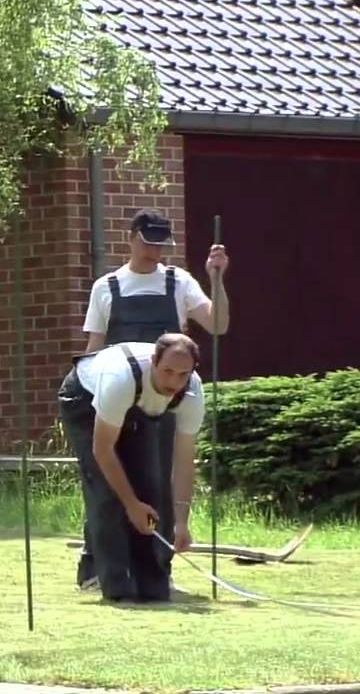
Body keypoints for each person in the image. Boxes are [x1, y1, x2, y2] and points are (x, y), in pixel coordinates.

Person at [75, 208, 230, 592]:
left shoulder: (180, 282)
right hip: (118, 393)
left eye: (161, 245)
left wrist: (217, 279)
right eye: (148, 243)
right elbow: (93, 348)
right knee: (108, 480)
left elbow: (218, 324)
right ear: (131, 237)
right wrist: (88, 397)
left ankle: (158, 569)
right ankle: (95, 568)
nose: (154, 252)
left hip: (164, 401)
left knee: (157, 482)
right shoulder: (106, 287)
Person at [57, 333, 205, 603]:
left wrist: (182, 521)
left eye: (183, 374)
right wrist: (130, 503)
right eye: (167, 372)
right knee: (108, 494)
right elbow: (102, 450)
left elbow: (183, 461)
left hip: (135, 405)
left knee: (151, 488)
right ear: (153, 362)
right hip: (84, 397)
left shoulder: (192, 392)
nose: (174, 382)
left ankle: (152, 586)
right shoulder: (120, 379)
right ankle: (116, 586)